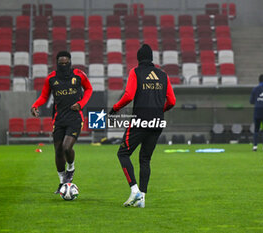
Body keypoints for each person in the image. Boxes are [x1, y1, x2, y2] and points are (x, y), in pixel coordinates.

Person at [109, 44, 176, 208]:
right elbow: (172, 101)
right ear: (151, 58)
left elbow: (129, 95)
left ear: (139, 59)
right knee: (145, 159)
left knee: (123, 153)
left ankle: (134, 191)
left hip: (140, 120)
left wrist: (115, 108)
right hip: (157, 122)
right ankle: (142, 199)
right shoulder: (162, 74)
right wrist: (160, 110)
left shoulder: (136, 72)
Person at [31, 51, 93, 194]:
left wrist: (81, 104)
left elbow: (89, 89)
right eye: (61, 63)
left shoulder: (79, 75)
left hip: (75, 118)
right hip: (59, 119)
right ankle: (62, 182)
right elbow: (44, 96)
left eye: (66, 63)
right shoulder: (51, 78)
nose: (64, 65)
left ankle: (70, 168)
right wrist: (35, 105)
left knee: (66, 147)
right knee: (58, 151)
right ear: (57, 63)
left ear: (70, 62)